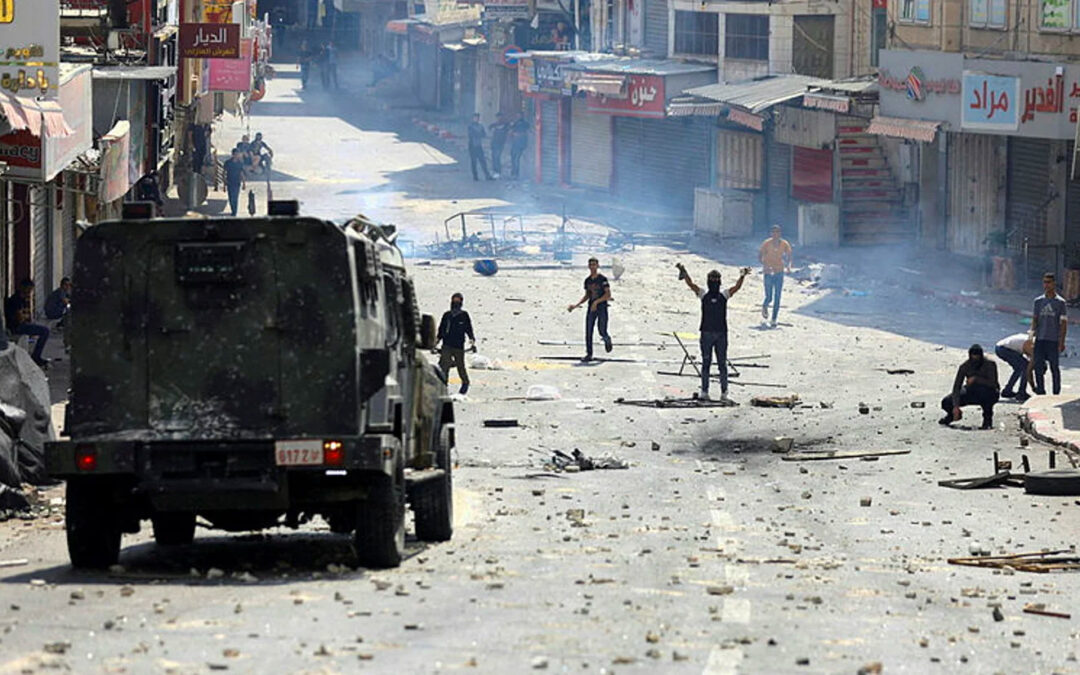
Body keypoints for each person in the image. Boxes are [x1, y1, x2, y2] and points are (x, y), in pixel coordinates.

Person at [677, 263, 749, 402]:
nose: (715, 282)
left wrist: (684, 272)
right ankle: (722, 393)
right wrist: (742, 276)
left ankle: (707, 392)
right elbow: (737, 287)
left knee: (708, 363)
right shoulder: (722, 295)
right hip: (719, 333)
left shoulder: (705, 294)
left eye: (715, 279)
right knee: (720, 364)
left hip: (708, 333)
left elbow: (691, 284)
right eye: (714, 279)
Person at [939, 344, 1000, 430]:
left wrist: (976, 379)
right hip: (971, 391)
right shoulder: (965, 366)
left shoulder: (990, 364)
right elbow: (957, 386)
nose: (975, 360)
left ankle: (987, 420)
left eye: (977, 358)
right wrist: (956, 406)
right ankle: (951, 416)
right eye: (973, 358)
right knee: (946, 402)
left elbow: (993, 384)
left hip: (988, 392)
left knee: (987, 395)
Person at [567, 257, 612, 362]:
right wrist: (576, 305)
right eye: (591, 265)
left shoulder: (603, 279)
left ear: (598, 266)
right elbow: (587, 295)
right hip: (591, 308)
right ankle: (589, 353)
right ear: (588, 266)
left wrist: (596, 302)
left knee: (602, 330)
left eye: (594, 265)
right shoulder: (587, 281)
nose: (592, 267)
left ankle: (607, 339)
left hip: (601, 307)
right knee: (588, 331)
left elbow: (608, 295)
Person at [1031, 272, 1067, 396]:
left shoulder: (1060, 303)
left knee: (1054, 368)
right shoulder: (1038, 301)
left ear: (1054, 284)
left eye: (1048, 282)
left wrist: (1062, 342)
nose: (1046, 285)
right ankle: (1041, 391)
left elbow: (1063, 323)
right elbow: (1035, 319)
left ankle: (1056, 392)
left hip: (1053, 340)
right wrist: (1031, 336)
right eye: (1044, 282)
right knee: (1038, 367)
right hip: (1040, 339)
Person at [4, 279, 50, 368]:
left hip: (19, 325)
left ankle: (36, 356)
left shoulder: (22, 299)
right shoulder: (16, 300)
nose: (30, 293)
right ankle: (36, 356)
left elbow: (26, 315)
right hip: (16, 327)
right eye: (29, 290)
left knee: (41, 329)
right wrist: (25, 316)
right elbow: (21, 318)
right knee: (45, 331)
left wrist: (25, 315)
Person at [436, 292, 475, 395]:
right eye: (454, 300)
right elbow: (441, 329)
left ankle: (465, 383)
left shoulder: (464, 315)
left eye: (458, 300)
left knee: (460, 366)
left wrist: (472, 340)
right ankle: (443, 385)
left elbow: (468, 328)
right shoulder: (447, 315)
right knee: (444, 365)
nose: (456, 302)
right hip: (447, 345)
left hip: (458, 346)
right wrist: (436, 341)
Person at [758, 225, 793, 328]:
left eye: (777, 232)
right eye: (773, 232)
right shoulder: (766, 243)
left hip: (779, 272)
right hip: (768, 272)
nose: (775, 234)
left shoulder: (784, 244)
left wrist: (789, 266)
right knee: (769, 296)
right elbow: (760, 256)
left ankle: (774, 319)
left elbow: (789, 256)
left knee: (778, 296)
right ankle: (765, 306)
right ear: (771, 234)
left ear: (780, 233)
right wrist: (765, 265)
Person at [995, 332, 1033, 403]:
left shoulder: (1031, 341)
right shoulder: (1031, 344)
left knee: (1019, 369)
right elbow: (1029, 369)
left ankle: (1007, 390)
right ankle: (1021, 393)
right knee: (1025, 367)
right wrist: (1033, 386)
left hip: (1001, 347)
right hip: (1003, 349)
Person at [467, 113, 493, 181]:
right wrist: (479, 134)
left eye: (477, 118)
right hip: (472, 146)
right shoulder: (470, 126)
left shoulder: (480, 126)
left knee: (483, 161)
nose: (476, 119)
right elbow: (471, 134)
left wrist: (479, 134)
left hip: (478, 145)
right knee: (474, 162)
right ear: (473, 118)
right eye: (475, 118)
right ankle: (475, 176)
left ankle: (487, 175)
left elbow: (484, 134)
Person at [223, 148, 246, 217]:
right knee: (230, 198)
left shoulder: (240, 163)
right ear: (232, 154)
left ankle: (234, 211)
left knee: (235, 198)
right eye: (235, 154)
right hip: (229, 182)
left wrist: (244, 183)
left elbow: (241, 173)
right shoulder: (228, 163)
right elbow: (224, 173)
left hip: (237, 182)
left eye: (237, 154)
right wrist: (224, 184)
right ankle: (233, 209)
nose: (236, 155)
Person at [509, 112, 529, 180]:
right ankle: (513, 172)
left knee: (516, 159)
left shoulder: (524, 123)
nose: (517, 116)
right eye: (517, 115)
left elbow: (525, 132)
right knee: (513, 157)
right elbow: (511, 130)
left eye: (519, 115)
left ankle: (516, 174)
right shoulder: (515, 123)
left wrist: (517, 134)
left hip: (520, 144)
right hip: (515, 143)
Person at [489, 112, 509, 177]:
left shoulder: (505, 125)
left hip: (500, 143)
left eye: (500, 117)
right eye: (498, 117)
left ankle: (498, 171)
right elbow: (489, 129)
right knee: (493, 157)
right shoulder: (494, 125)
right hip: (494, 143)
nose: (499, 118)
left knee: (497, 156)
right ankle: (494, 170)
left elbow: (508, 131)